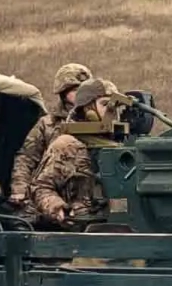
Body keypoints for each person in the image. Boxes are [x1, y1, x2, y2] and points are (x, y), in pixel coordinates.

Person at [30, 77, 124, 232]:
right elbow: (40, 187)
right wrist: (57, 207)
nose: (112, 111)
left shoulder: (121, 143)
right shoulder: (67, 145)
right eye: (105, 104)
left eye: (115, 105)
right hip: (80, 230)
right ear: (88, 109)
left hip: (117, 228)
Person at [7, 63, 92, 225]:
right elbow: (26, 158)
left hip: (83, 195)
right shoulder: (47, 124)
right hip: (50, 192)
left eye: (84, 90)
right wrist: (20, 189)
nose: (80, 95)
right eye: (74, 90)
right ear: (63, 93)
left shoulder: (99, 122)